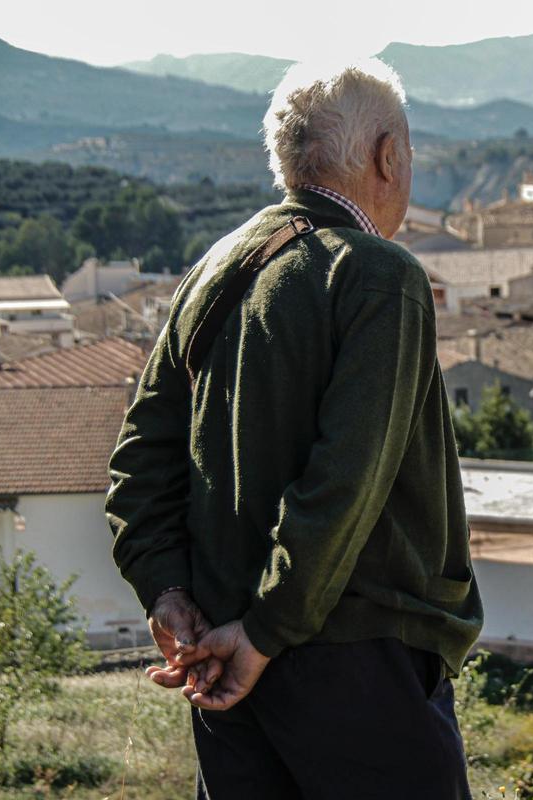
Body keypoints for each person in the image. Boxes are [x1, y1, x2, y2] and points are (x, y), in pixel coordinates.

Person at [106, 59, 482, 799]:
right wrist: (269, 631)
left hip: (220, 662)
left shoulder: (213, 270)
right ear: (388, 156)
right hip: (355, 660)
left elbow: (138, 462)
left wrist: (169, 592)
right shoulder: (379, 274)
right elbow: (343, 481)